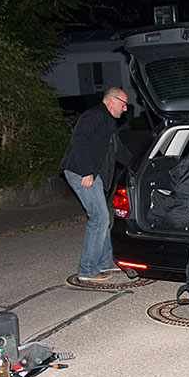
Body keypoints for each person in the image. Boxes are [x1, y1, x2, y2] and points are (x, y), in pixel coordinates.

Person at [60, 87, 133, 282]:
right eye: (123, 104)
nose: (125, 109)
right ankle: (87, 269)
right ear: (111, 100)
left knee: (103, 217)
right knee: (99, 218)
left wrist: (138, 164)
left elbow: (118, 151)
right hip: (81, 172)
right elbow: (79, 140)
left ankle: (105, 261)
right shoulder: (95, 115)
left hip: (91, 173)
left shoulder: (108, 122)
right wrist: (86, 171)